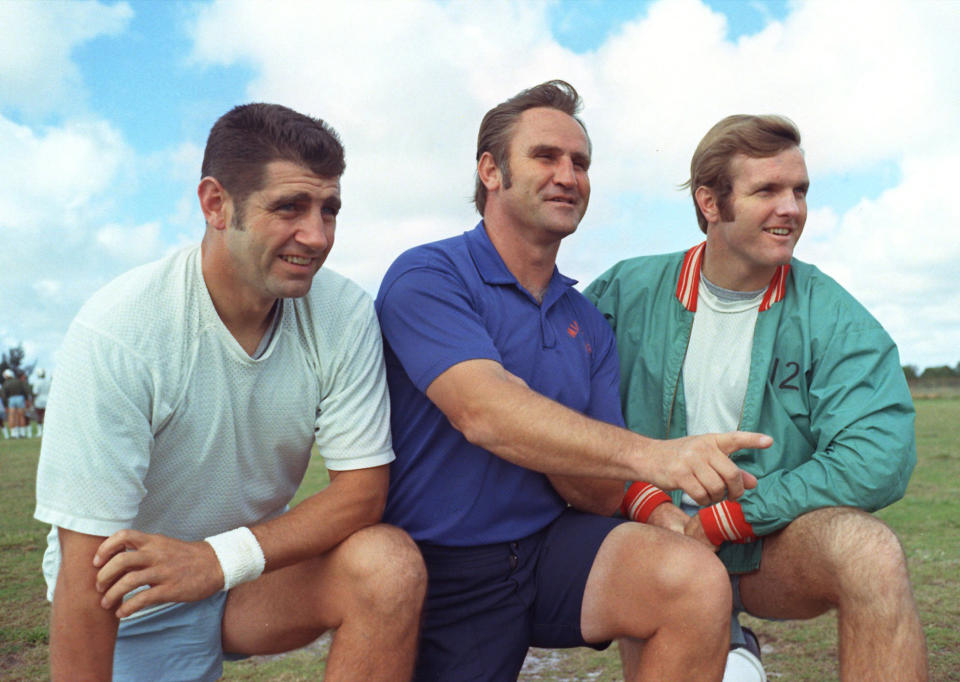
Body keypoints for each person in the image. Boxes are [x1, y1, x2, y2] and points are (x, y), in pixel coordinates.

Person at [376, 80, 774, 682]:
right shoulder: (429, 275)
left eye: (580, 162)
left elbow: (596, 494)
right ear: (490, 170)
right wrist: (653, 456)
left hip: (548, 545)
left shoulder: (586, 320)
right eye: (546, 156)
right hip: (445, 564)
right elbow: (482, 413)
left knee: (691, 576)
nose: (568, 174)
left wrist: (547, 436)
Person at [34, 103, 426, 681]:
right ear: (216, 204)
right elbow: (86, 569)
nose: (316, 237)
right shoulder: (123, 329)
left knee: (388, 564)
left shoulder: (342, 312)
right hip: (132, 601)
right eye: (289, 207)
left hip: (245, 579)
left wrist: (215, 561)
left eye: (329, 210)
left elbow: (362, 492)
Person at [585, 114, 928, 681]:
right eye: (766, 190)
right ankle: (721, 645)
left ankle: (727, 641)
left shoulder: (833, 314)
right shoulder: (624, 292)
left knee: (871, 554)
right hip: (651, 533)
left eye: (799, 190)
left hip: (767, 539)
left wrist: (734, 517)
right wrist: (645, 501)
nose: (791, 208)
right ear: (710, 203)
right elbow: (572, 420)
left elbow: (880, 456)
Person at [1, 368, 30, 438]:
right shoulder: (18, 381)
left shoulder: (5, 383)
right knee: (21, 416)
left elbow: (4, 395)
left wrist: (5, 405)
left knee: (12, 417)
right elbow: (25, 391)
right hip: (20, 398)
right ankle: (22, 433)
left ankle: (14, 434)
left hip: (11, 400)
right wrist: (26, 400)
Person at [31, 368, 51, 437]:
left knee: (39, 416)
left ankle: (40, 432)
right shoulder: (48, 381)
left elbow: (35, 392)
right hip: (48, 400)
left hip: (39, 400)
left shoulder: (37, 382)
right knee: (47, 417)